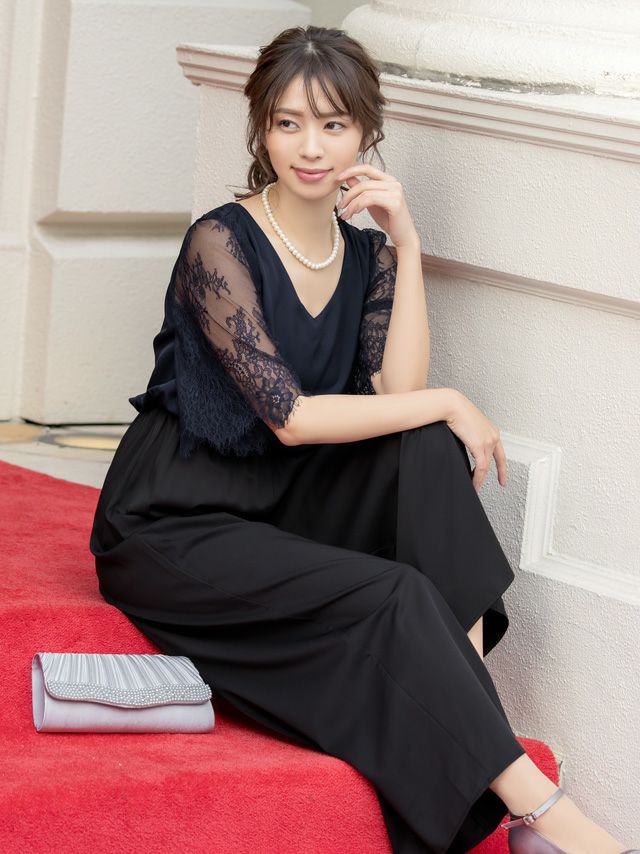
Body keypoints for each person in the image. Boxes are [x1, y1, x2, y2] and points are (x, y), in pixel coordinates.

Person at [89, 24, 636, 854]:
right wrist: (453, 398)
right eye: (288, 123)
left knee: (426, 446)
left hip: (286, 498)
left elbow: (399, 397)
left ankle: (464, 725)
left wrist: (407, 242)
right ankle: (545, 814)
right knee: (398, 591)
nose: (310, 147)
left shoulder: (368, 254)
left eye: (333, 124)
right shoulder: (219, 243)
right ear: (260, 128)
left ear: (366, 133)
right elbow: (291, 417)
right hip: (177, 521)